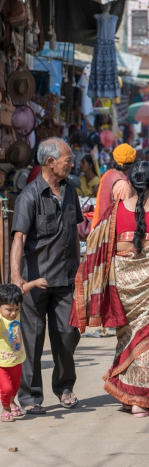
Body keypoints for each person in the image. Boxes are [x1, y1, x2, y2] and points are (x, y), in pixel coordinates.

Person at [72, 160, 149, 417]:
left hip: (122, 288)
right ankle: (141, 400)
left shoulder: (114, 212)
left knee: (127, 337)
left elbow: (99, 244)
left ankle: (127, 395)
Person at [10, 138, 83, 415]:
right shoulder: (29, 195)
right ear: (50, 162)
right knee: (33, 338)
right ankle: (30, 397)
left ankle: (64, 387)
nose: (72, 163)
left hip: (65, 278)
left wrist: (80, 271)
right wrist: (17, 277)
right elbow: (19, 238)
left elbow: (74, 232)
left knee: (66, 334)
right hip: (36, 281)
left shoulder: (70, 190)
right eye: (68, 159)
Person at [0, 281, 48, 422]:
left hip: (17, 360)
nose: (13, 313)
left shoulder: (15, 313)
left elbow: (22, 291)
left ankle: (12, 401)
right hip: (2, 363)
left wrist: (34, 283)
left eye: (17, 309)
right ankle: (6, 408)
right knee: (7, 388)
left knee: (14, 388)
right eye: (9, 310)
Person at [91, 143, 135, 229]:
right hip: (109, 234)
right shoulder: (123, 184)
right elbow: (126, 217)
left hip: (98, 228)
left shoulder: (108, 174)